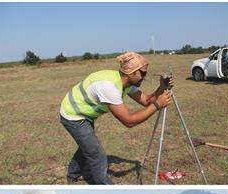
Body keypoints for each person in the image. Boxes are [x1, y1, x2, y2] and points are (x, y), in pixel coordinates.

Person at [60, 51, 174, 184]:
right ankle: (104, 187)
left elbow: (146, 100)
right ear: (132, 72)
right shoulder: (109, 87)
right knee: (97, 156)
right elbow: (128, 121)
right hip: (73, 115)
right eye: (143, 73)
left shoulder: (125, 82)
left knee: (87, 146)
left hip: (84, 114)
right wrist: (157, 105)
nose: (145, 77)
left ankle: (73, 174)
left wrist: (161, 88)